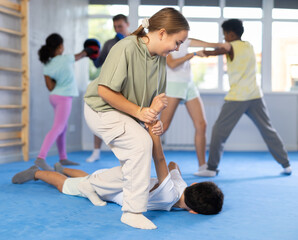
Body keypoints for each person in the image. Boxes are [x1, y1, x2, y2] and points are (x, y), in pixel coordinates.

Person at [83, 7, 189, 229]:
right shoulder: (126, 47)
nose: (177, 48)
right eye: (177, 42)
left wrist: (153, 118)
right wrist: (141, 113)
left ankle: (91, 185)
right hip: (100, 108)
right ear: (161, 33)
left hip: (124, 111)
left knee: (132, 169)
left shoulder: (159, 58)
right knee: (141, 145)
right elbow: (104, 91)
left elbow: (154, 102)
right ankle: (132, 212)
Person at [11, 124, 224, 224]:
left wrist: (173, 174)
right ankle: (38, 173)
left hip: (116, 178)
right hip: (111, 190)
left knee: (89, 175)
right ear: (194, 212)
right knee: (67, 186)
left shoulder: (179, 185)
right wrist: (153, 133)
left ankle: (61, 167)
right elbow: (158, 159)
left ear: (195, 186)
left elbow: (171, 164)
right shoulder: (170, 195)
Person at [195, 19, 292, 177]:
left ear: (231, 33)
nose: (224, 37)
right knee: (268, 130)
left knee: (219, 132)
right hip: (255, 96)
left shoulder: (231, 46)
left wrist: (205, 53)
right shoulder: (249, 45)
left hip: (237, 98)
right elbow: (225, 48)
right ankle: (286, 164)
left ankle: (211, 168)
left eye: (225, 34)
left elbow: (222, 49)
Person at [160, 38, 227, 176]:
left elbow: (208, 44)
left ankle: (203, 166)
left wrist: (222, 45)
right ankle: (136, 155)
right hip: (173, 85)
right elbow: (172, 64)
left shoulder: (186, 40)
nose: (187, 35)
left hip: (189, 84)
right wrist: (194, 54)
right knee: (163, 127)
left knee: (202, 124)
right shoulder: (165, 42)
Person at [35, 33, 95, 171]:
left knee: (62, 127)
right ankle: (41, 158)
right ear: (60, 47)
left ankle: (63, 158)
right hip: (64, 98)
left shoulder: (47, 64)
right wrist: (89, 50)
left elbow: (50, 87)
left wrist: (58, 79)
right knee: (58, 127)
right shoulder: (66, 59)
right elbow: (81, 55)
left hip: (54, 97)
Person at [86, 14, 130, 163]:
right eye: (115, 26)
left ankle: (128, 152)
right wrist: (91, 55)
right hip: (110, 85)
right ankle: (96, 151)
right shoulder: (109, 43)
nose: (117, 29)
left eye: (120, 26)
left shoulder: (134, 42)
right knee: (100, 113)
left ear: (127, 24)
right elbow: (98, 63)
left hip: (128, 86)